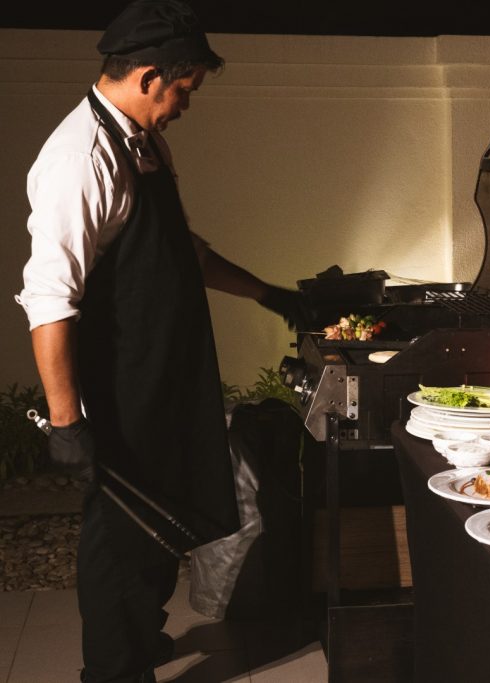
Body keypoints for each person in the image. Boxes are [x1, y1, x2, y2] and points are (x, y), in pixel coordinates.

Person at [14, 1, 308, 681]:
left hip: (164, 376)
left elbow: (181, 250)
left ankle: (141, 638)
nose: (185, 104)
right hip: (121, 388)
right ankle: (113, 670)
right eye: (184, 89)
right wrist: (66, 423)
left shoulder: (142, 143)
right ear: (149, 77)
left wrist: (266, 293)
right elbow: (49, 301)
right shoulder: (80, 159)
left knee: (158, 522)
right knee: (118, 535)